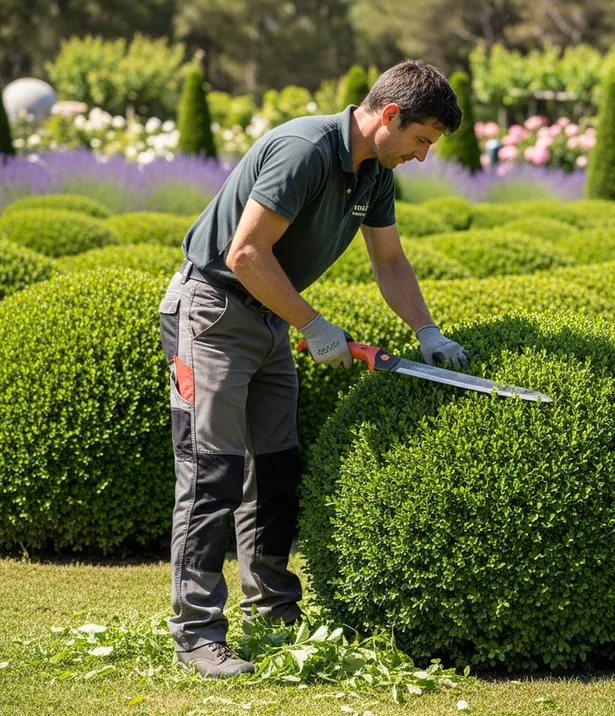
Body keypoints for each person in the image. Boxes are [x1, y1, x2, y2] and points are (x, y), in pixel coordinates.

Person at [157, 60, 470, 678]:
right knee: (211, 474)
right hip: (212, 313)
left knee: (274, 471)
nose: (423, 156)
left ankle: (272, 613)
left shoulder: (375, 173)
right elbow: (244, 253)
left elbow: (389, 261)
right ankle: (195, 635)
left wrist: (427, 332)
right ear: (389, 117)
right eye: (421, 140)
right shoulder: (303, 150)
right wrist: (313, 324)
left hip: (271, 320)